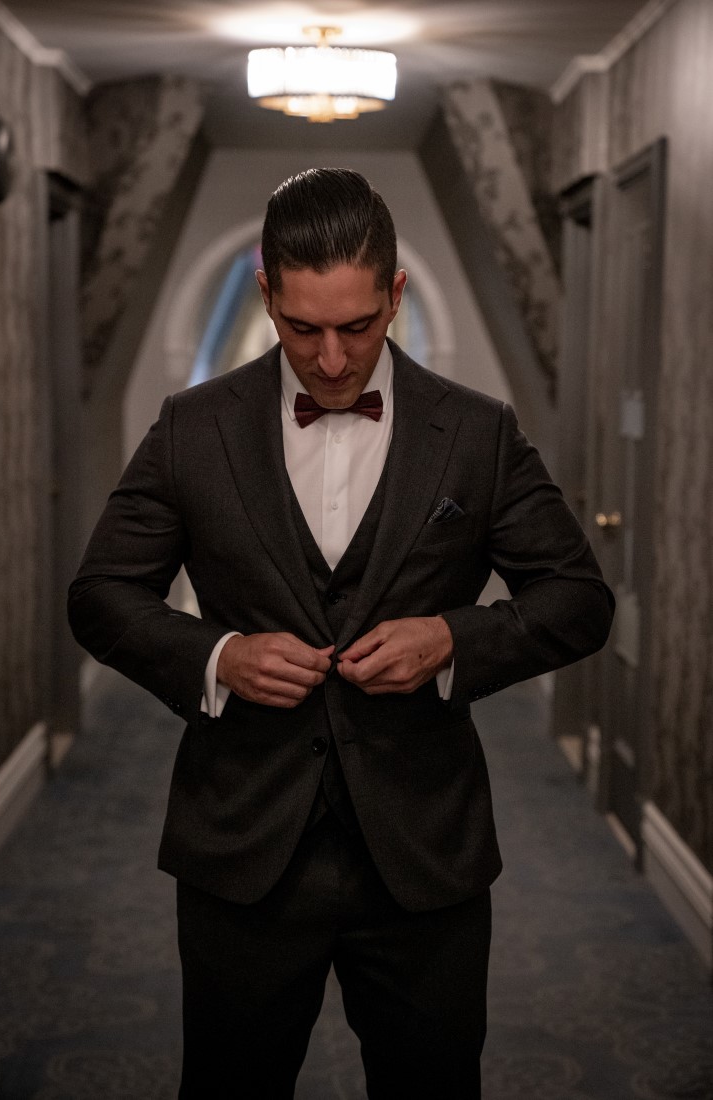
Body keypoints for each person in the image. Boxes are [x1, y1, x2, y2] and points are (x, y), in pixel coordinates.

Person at [68, 167, 613, 1099]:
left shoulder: (477, 435)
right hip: (240, 847)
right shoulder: (189, 427)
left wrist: (452, 640)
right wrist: (217, 654)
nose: (329, 360)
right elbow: (102, 594)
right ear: (265, 291)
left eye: (358, 327)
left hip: (424, 854)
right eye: (302, 327)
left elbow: (577, 599)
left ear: (395, 294)